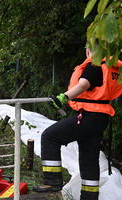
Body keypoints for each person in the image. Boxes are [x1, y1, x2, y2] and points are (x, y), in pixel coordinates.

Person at [33, 48, 122, 200]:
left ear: (91, 50)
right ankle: (89, 197)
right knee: (89, 158)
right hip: (101, 117)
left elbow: (84, 84)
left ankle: (52, 181)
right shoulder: (113, 67)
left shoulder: (95, 64)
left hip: (88, 115)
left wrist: (63, 98)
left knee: (50, 136)